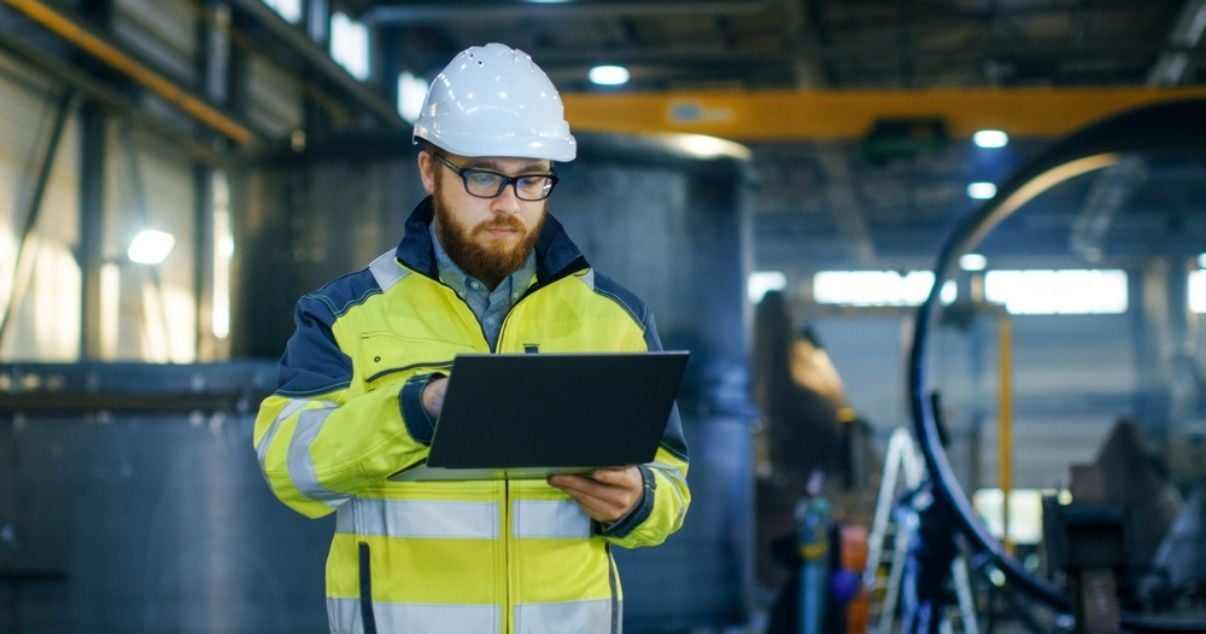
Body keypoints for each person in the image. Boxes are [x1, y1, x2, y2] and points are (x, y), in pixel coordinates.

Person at [252, 42, 691, 634]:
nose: (508, 205)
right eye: (483, 175)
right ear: (430, 170)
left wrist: (638, 499)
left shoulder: (616, 317)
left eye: (532, 179)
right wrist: (416, 408)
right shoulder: (343, 313)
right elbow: (290, 468)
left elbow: (670, 484)